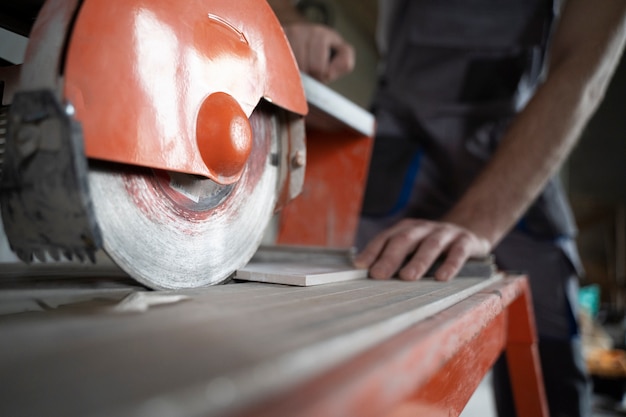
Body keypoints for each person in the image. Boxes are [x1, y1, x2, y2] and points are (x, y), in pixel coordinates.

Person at [269, 0, 626, 416]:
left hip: (514, 141)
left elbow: (583, 64)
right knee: (353, 322)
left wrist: (476, 224)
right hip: (402, 138)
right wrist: (292, 20)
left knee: (551, 348)